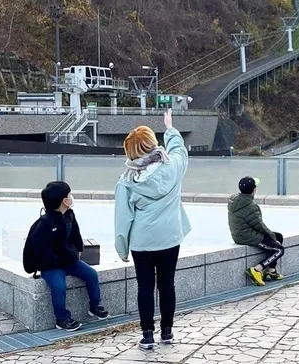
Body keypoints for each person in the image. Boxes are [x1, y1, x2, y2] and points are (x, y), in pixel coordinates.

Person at [115, 109, 190, 351]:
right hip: (169, 237)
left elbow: (122, 219)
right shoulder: (173, 167)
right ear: (152, 144)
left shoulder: (126, 180)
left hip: (142, 242)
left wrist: (122, 247)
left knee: (145, 287)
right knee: (167, 284)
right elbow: (180, 150)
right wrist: (169, 128)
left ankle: (147, 336)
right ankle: (167, 332)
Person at [26, 181, 109, 331]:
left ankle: (95, 306)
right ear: (64, 201)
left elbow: (76, 235)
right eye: (69, 195)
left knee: (91, 274)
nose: (71, 197)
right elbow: (38, 247)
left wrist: (77, 250)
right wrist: (49, 264)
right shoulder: (45, 223)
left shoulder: (69, 215)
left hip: (70, 261)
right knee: (59, 286)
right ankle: (62, 319)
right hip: (51, 266)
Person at [228, 176, 284, 286]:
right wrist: (271, 236)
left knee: (279, 237)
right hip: (247, 236)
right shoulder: (250, 206)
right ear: (254, 190)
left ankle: (271, 272)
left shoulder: (234, 199)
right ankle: (256, 269)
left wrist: (273, 237)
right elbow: (260, 226)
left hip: (241, 233)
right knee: (279, 250)